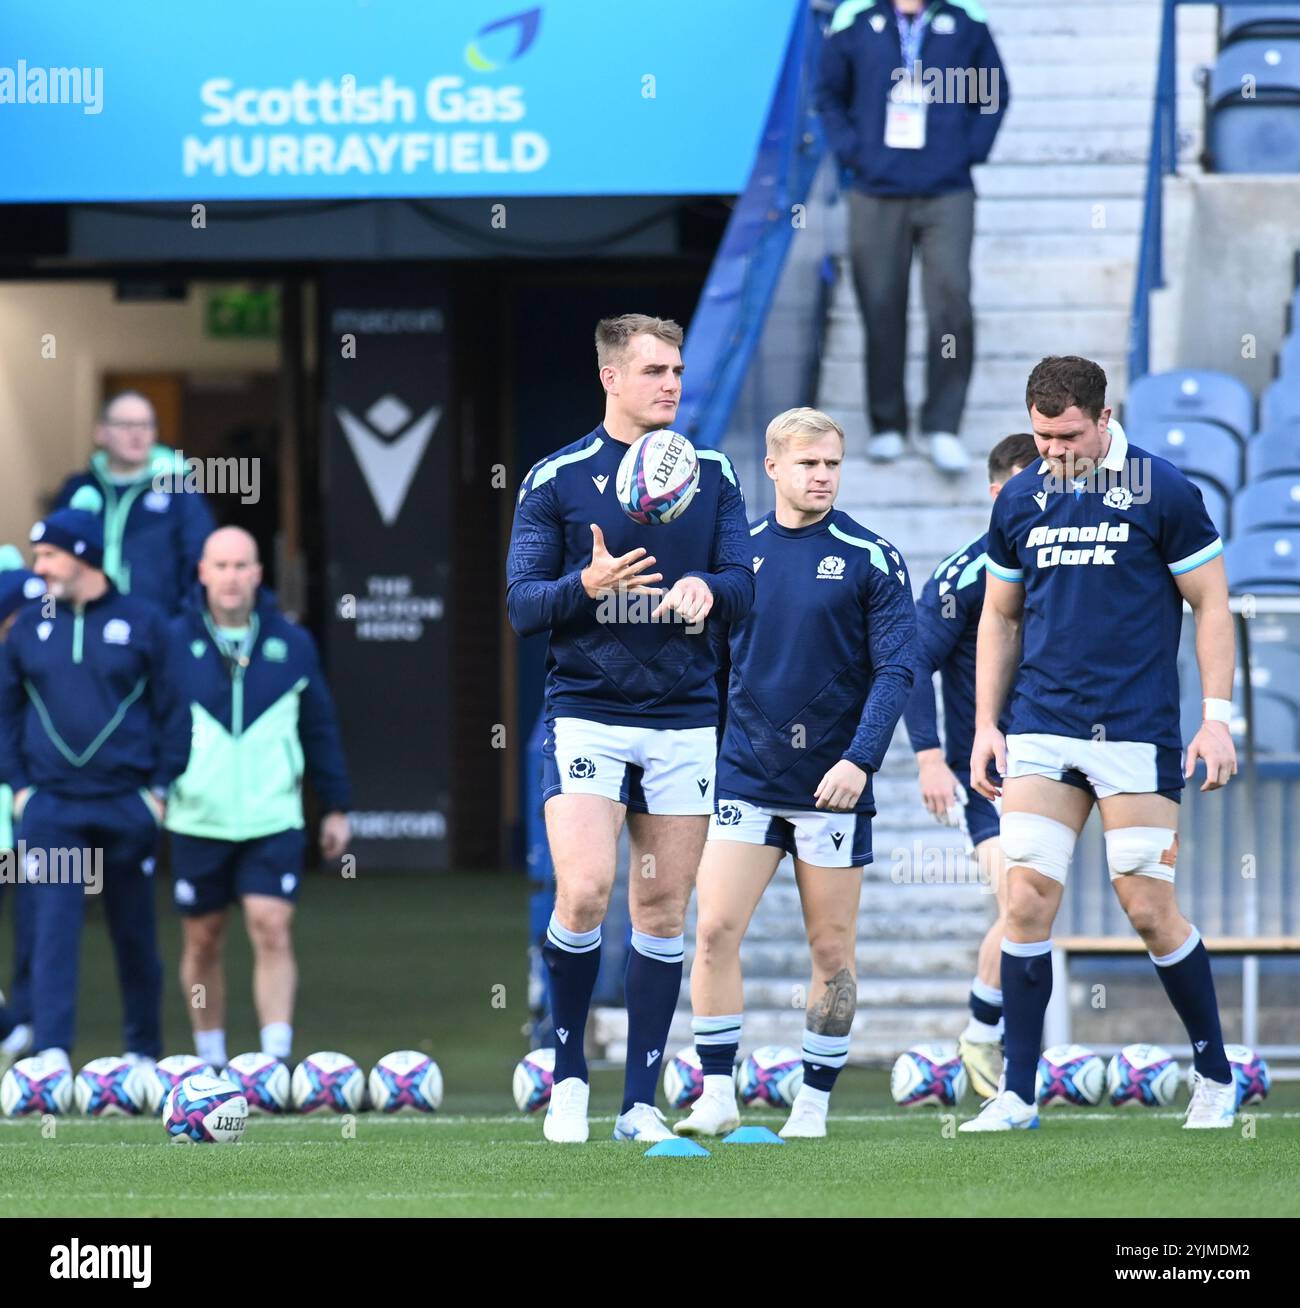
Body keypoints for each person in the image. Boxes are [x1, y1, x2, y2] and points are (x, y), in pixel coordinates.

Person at [962, 356, 1239, 1132]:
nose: (1052, 450)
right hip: (1043, 723)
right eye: (1041, 435)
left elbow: (1212, 605)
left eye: (1067, 435)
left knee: (1147, 906)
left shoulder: (1164, 490)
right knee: (1023, 899)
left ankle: (1214, 1075)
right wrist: (988, 724)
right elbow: (1000, 618)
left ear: (1104, 418)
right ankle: (1018, 1094)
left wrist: (1216, 717)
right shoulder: (1020, 497)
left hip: (1135, 727)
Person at [506, 313, 755, 1143]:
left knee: (661, 910)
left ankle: (640, 1103)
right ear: (611, 377)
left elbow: (744, 583)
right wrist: (588, 580)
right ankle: (569, 1076)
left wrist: (710, 593)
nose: (672, 384)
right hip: (587, 712)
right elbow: (520, 606)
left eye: (678, 369)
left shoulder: (714, 473)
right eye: (654, 370)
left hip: (685, 718)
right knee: (582, 891)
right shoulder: (557, 477)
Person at [674, 407, 916, 1140]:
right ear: (773, 468)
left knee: (830, 949)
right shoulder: (736, 559)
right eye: (808, 463)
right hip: (746, 779)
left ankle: (812, 1102)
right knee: (713, 930)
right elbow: (708, 671)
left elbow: (899, 668)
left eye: (833, 464)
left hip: (831, 789)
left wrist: (859, 760)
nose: (822, 476)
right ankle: (717, 1091)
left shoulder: (873, 557)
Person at [0, 510, 191, 1069]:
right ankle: (53, 1054)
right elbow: (5, 713)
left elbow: (175, 711)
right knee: (52, 934)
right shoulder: (30, 626)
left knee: (134, 934)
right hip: (51, 807)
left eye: (48, 556)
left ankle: (143, 1055)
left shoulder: (145, 622)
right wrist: (19, 788)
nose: (39, 568)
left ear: (82, 555)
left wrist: (158, 788)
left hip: (126, 804)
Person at [165, 527, 351, 1070]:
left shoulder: (291, 642)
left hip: (273, 815)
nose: (230, 576)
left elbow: (320, 726)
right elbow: (152, 723)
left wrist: (336, 804)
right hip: (198, 815)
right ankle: (210, 1058)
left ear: (257, 574)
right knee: (203, 940)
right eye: (219, 565)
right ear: (202, 573)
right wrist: (156, 787)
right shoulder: (174, 640)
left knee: (271, 926)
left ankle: (271, 1062)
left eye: (241, 565)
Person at [816, 0, 1009, 474]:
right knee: (880, 303)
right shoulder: (855, 19)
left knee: (951, 300)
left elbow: (994, 91)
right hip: (875, 189)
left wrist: (968, 151)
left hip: (947, 190)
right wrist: (853, 153)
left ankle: (942, 424)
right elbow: (827, 93)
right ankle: (888, 424)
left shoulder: (964, 19)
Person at [902, 431, 1037, 1097]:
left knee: (1034, 902)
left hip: (1058, 761)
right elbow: (910, 667)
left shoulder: (1069, 562)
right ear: (996, 493)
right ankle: (985, 1039)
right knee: (1020, 897)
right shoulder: (962, 574)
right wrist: (929, 757)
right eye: (1027, 482)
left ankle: (994, 1036)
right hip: (984, 770)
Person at [55, 390, 216, 615]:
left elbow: (201, 562)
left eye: (146, 425)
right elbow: (52, 555)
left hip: (157, 630)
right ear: (100, 433)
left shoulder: (180, 491)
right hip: (84, 625)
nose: (137, 434)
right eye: (126, 425)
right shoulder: (79, 489)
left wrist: (183, 626)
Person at [0, 547, 46, 1075]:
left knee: (41, 934)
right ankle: (11, 1024)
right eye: (18, 617)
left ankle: (32, 1037)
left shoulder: (49, 669)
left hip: (37, 824)